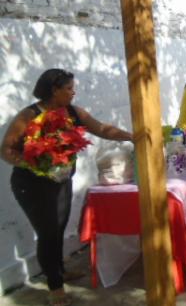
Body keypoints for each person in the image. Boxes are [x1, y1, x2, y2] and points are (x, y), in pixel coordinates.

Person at [1, 69, 132, 306]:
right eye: (69, 88)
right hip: (31, 184)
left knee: (58, 227)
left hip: (60, 181)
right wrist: (35, 165)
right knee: (48, 232)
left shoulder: (73, 112)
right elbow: (7, 149)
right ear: (54, 90)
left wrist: (132, 136)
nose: (74, 92)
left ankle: (58, 270)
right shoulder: (28, 115)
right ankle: (55, 287)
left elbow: (101, 129)